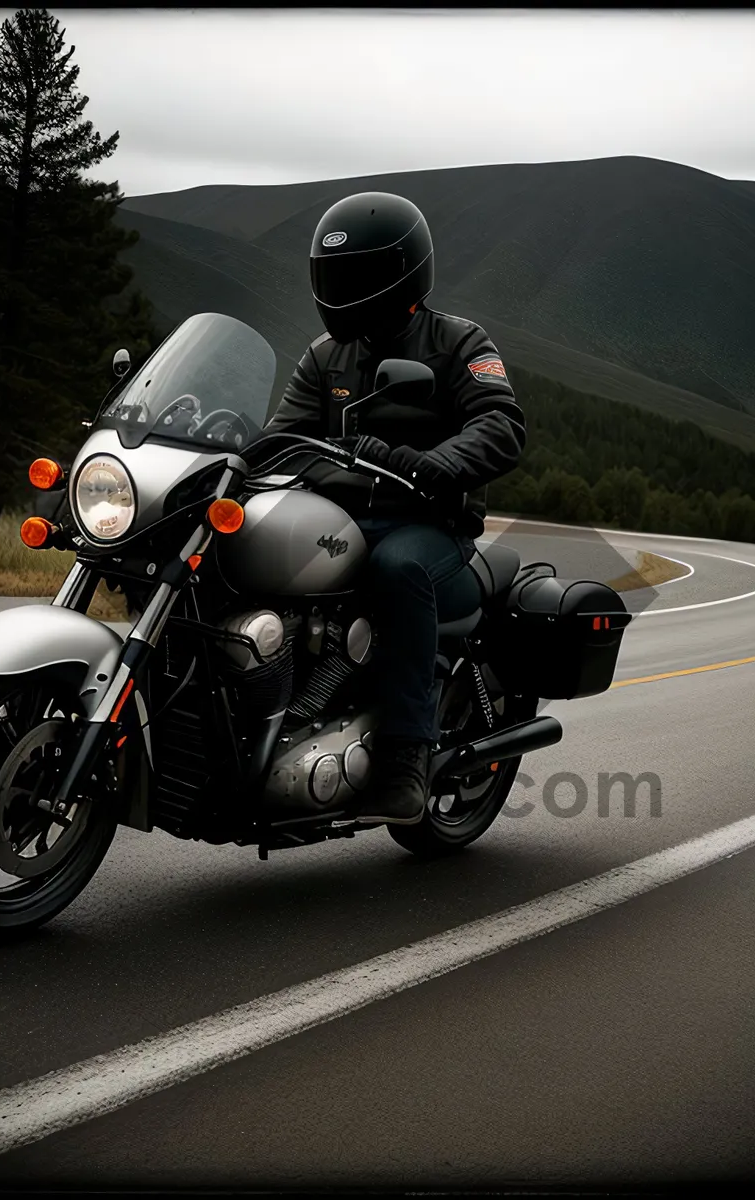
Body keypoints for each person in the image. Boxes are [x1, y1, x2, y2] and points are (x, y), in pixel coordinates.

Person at [266, 192, 526, 825]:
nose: (340, 290)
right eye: (333, 275)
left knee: (397, 569)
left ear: (399, 275)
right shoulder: (326, 357)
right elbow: (281, 439)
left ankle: (405, 753)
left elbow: (501, 423)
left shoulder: (458, 341)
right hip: (342, 521)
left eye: (355, 276)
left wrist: (437, 465)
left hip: (428, 527)